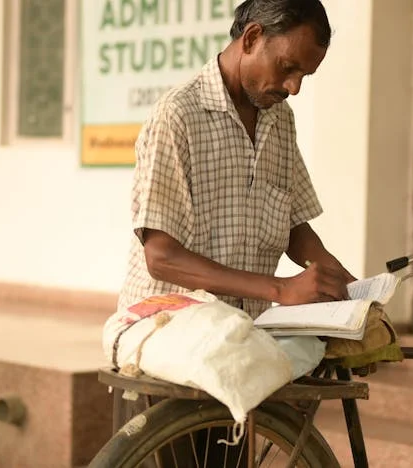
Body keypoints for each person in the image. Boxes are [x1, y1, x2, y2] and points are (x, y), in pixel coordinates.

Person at [112, 0, 354, 463]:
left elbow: (293, 225)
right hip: (173, 329)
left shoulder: (278, 119)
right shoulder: (178, 116)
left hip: (240, 336)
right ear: (251, 38)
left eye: (304, 75)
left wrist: (341, 282)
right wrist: (280, 288)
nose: (294, 88)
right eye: (287, 68)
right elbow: (160, 255)